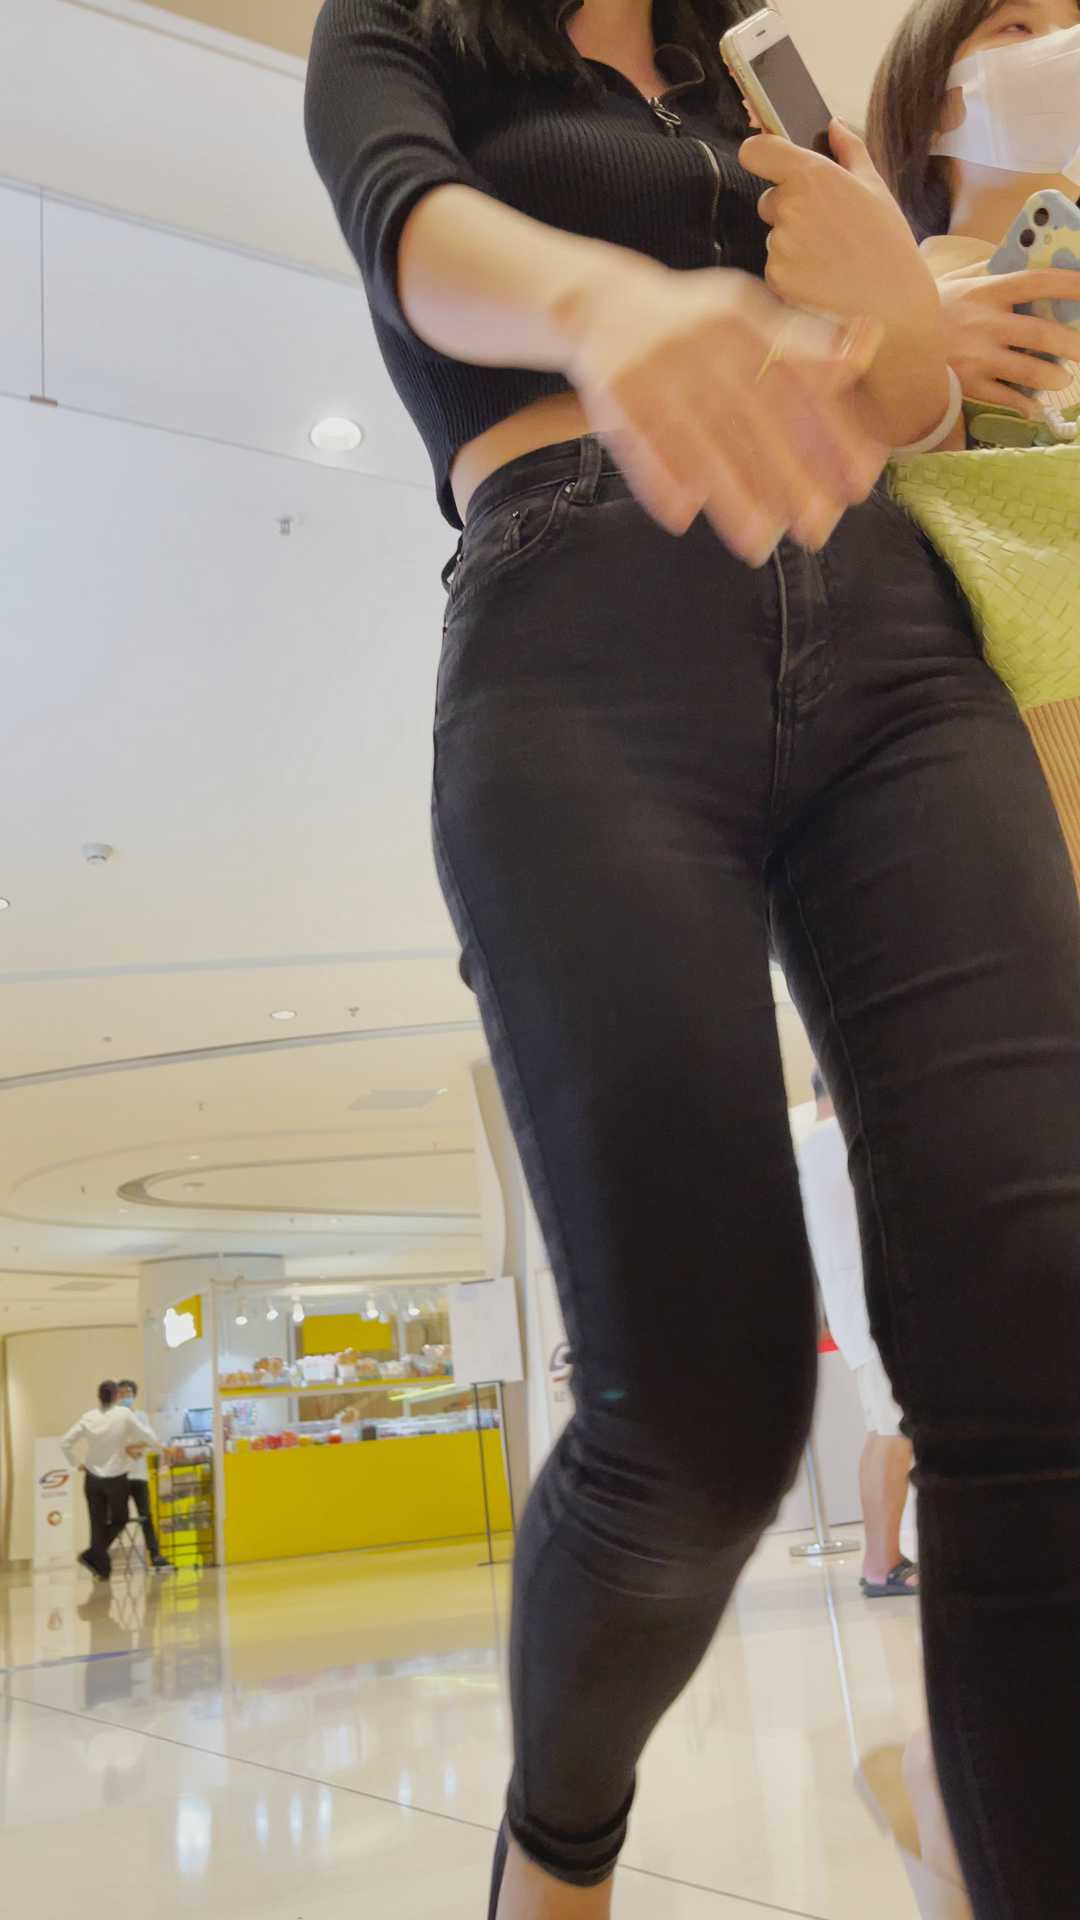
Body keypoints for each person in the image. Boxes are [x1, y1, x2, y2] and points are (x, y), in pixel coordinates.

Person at [305, 4, 1080, 1916]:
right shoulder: (406, 24)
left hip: (897, 644)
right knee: (701, 1418)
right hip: (580, 623)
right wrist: (602, 304)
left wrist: (899, 312)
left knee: (1047, 1337)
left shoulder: (752, 72)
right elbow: (404, 222)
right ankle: (558, 1843)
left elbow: (906, 404)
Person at [868, 0, 1080, 887]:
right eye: (1019, 28)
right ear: (936, 107)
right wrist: (914, 350)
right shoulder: (872, 320)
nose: (1065, 50)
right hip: (1012, 763)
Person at [797, 1069, 917, 1599]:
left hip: (859, 1307)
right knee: (893, 1431)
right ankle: (882, 1563)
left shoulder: (814, 1147)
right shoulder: (838, 1142)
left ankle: (882, 1559)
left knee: (884, 1428)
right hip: (875, 1306)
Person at [61, 1380, 147, 1583]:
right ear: (116, 1396)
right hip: (115, 1477)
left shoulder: (89, 1417)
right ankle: (94, 1556)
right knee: (120, 1518)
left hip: (93, 1478)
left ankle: (101, 1567)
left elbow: (65, 1443)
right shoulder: (123, 1416)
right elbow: (142, 1439)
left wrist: (77, 1464)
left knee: (97, 1523)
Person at [115, 1379, 172, 1571]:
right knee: (117, 1518)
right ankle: (102, 1556)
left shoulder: (141, 1416)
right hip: (120, 1476)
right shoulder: (113, 1418)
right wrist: (127, 1448)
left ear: (134, 1395)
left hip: (139, 1475)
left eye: (128, 1393)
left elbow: (150, 1440)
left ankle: (155, 1555)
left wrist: (135, 1448)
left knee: (146, 1515)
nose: (125, 1396)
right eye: (122, 1393)